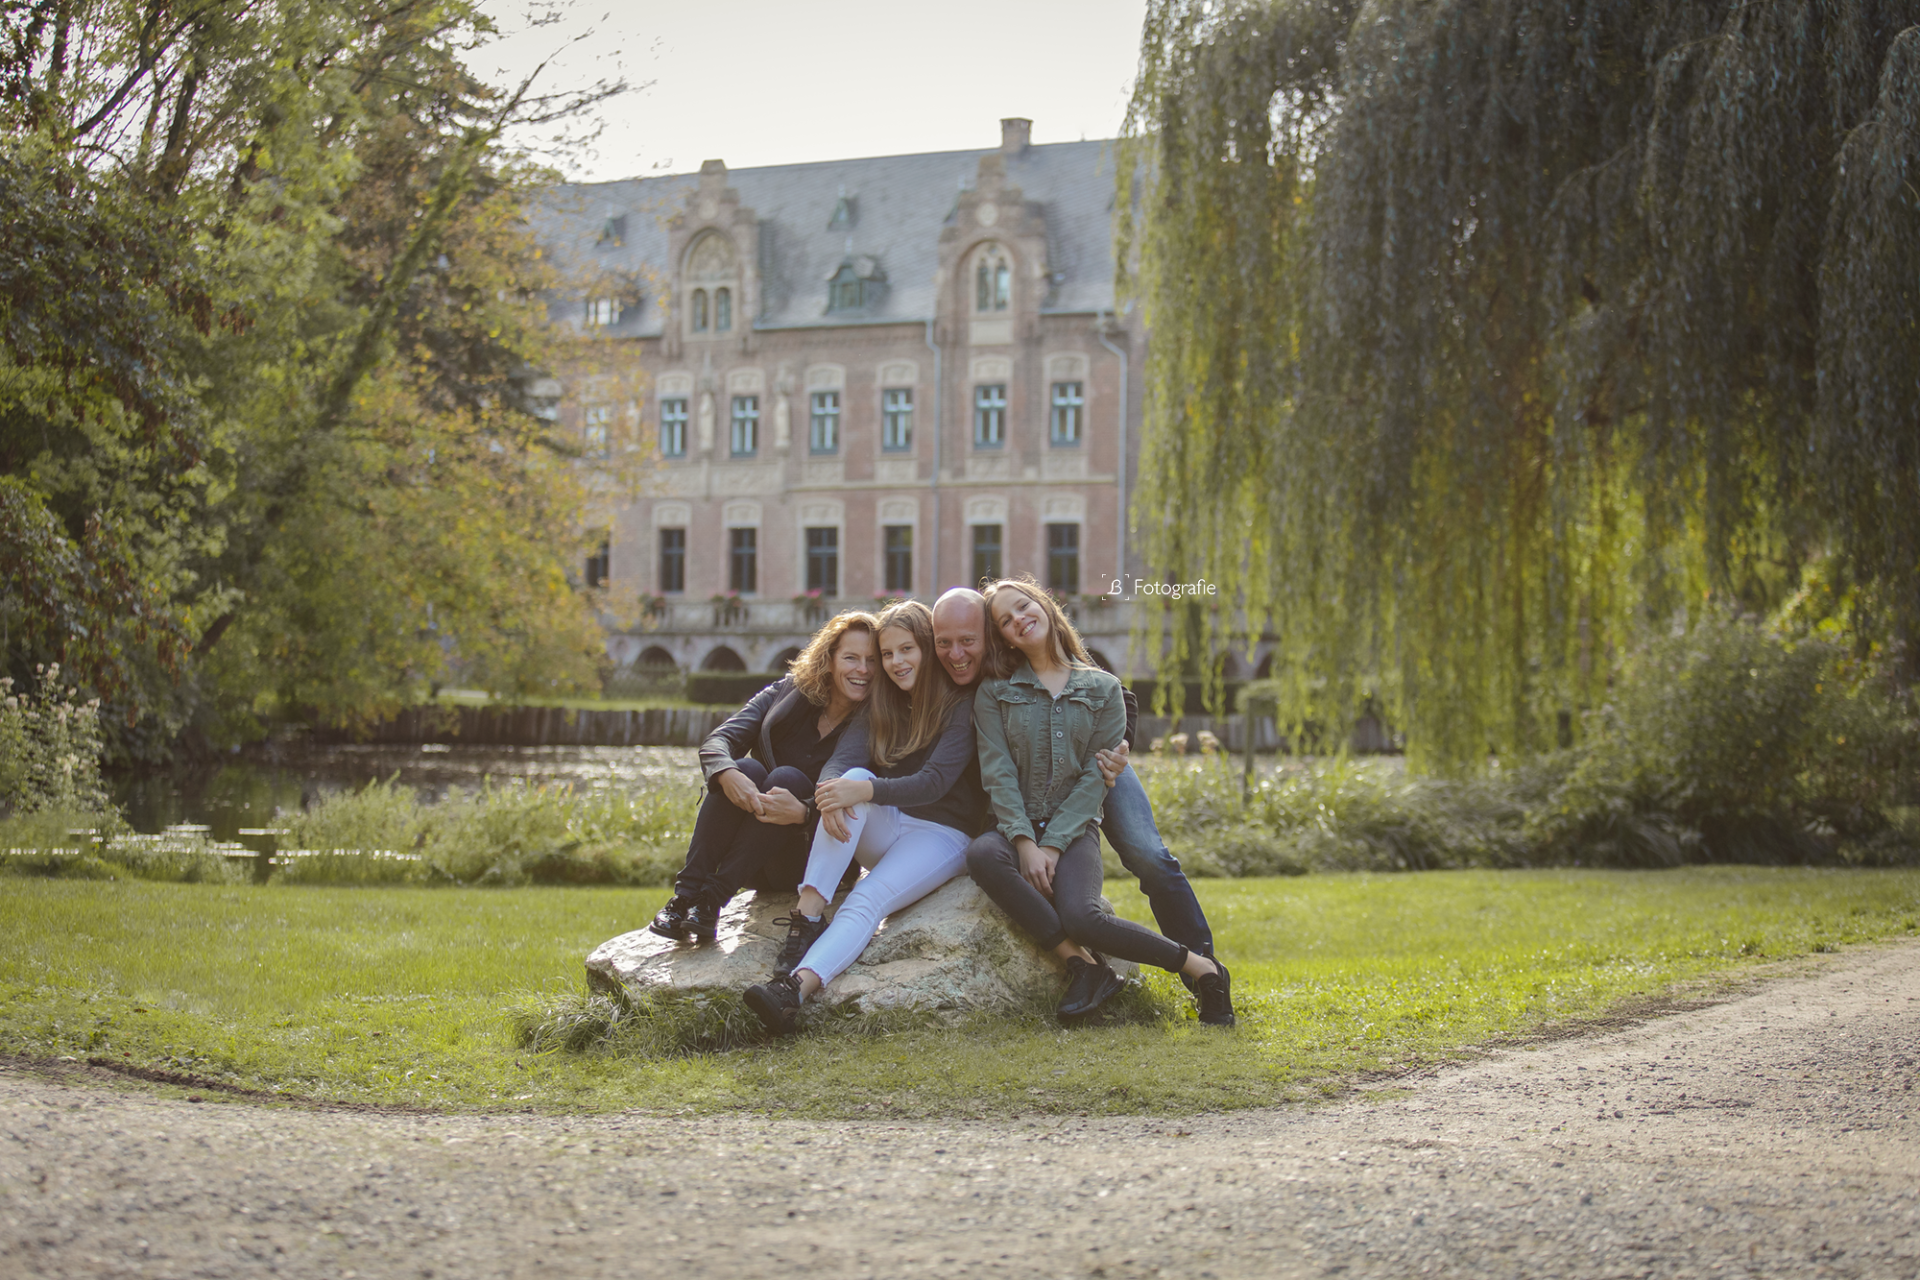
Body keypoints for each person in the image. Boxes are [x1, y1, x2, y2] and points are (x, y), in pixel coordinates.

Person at [963, 576, 1234, 1026]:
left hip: (1074, 828)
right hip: (1017, 826)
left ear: (1046, 604)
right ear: (1002, 637)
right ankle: (1084, 966)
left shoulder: (1105, 688)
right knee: (982, 854)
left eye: (1024, 606)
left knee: (1109, 894)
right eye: (1005, 621)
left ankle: (1201, 968)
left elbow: (1095, 779)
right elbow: (998, 771)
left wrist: (1052, 845)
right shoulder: (995, 692)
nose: (1019, 620)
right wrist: (1026, 841)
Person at [741, 601, 986, 1034]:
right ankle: (809, 917)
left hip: (943, 836)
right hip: (890, 822)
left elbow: (934, 781)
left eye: (906, 650)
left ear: (927, 650)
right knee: (850, 778)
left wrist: (866, 790)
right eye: (887, 654)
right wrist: (836, 792)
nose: (895, 663)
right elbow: (840, 763)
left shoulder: (959, 704)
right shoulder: (882, 704)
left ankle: (793, 990)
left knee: (866, 899)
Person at [648, 612, 878, 943]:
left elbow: (872, 805)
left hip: (809, 861)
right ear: (829, 660)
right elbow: (718, 742)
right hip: (750, 861)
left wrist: (804, 813)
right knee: (746, 769)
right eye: (851, 658)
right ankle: (685, 898)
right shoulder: (784, 694)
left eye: (872, 661)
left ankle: (711, 900)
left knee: (786, 777)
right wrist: (726, 773)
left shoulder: (879, 725)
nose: (863, 670)